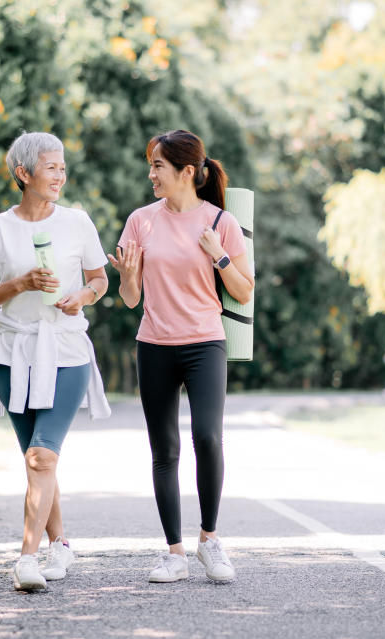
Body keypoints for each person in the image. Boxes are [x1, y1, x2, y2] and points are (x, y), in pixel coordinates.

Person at [107, 129, 254, 583]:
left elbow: (245, 293)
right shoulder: (140, 221)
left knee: (208, 437)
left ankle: (210, 541)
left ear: (187, 172)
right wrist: (129, 276)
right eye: (150, 164)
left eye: (158, 166)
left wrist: (220, 259)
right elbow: (131, 300)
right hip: (154, 345)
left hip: (205, 342)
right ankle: (174, 553)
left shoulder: (220, 223)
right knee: (163, 450)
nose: (150, 173)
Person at [0, 131, 110, 591]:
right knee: (38, 461)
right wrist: (22, 284)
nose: (60, 175)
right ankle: (61, 545)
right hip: (14, 354)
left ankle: (27, 558)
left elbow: (99, 280)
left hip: (65, 350)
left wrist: (83, 296)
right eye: (51, 167)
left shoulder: (77, 223)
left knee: (41, 456)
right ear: (23, 173)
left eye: (63, 167)